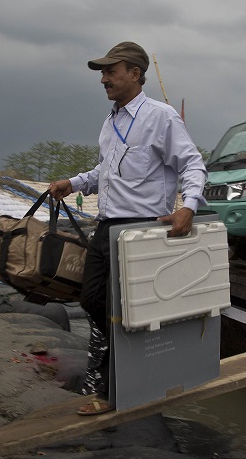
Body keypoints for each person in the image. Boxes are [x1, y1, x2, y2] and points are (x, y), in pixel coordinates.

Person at [48, 41, 207, 416]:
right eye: (102, 73)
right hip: (107, 227)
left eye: (110, 71)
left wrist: (189, 207)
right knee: (92, 299)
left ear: (135, 74)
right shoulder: (112, 120)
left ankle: (115, 390)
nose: (103, 79)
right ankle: (133, 367)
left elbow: (193, 164)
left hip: (141, 230)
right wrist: (73, 182)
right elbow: (106, 170)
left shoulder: (161, 116)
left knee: (123, 310)